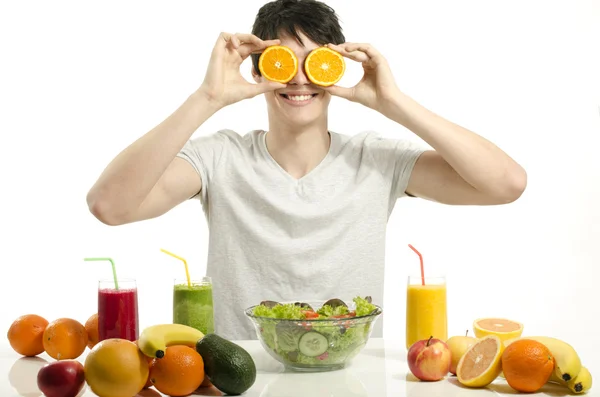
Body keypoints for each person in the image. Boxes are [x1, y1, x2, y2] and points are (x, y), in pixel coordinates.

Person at [86, 0, 527, 340]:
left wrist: (395, 104)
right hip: (239, 373)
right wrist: (209, 96)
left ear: (336, 65)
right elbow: (110, 205)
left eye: (313, 61)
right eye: (281, 61)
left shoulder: (377, 160)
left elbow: (506, 184)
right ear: (258, 68)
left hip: (348, 372)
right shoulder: (219, 158)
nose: (298, 79)